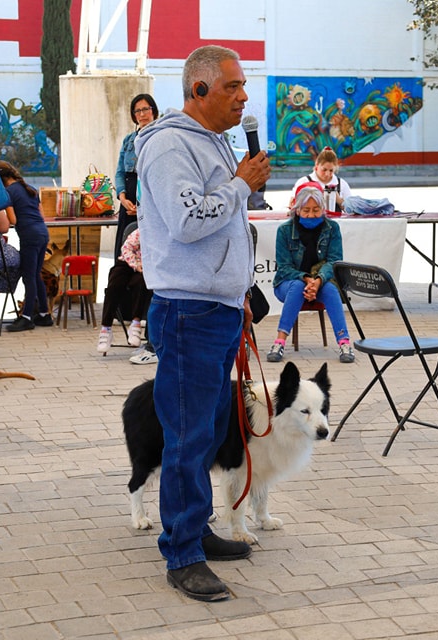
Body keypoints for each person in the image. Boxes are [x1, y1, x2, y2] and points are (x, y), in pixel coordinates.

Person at [134, 45, 271, 602]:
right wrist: (239, 184)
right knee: (188, 437)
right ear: (198, 91)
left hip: (217, 308)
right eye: (233, 87)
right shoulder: (168, 145)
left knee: (211, 429)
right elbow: (188, 221)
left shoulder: (214, 141)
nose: (243, 97)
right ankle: (183, 553)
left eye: (243, 86)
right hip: (188, 311)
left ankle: (198, 527)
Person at [267, 182, 354, 364]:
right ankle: (279, 341)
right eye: (306, 210)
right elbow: (284, 267)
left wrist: (318, 281)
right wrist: (307, 279)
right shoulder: (284, 230)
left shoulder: (332, 228)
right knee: (298, 286)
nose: (311, 214)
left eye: (316, 210)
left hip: (321, 282)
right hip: (288, 282)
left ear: (323, 209)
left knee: (330, 290)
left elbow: (334, 261)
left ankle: (344, 342)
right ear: (297, 210)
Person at [0, 161, 53, 331]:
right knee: (36, 274)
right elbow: (40, 214)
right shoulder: (30, 188)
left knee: (29, 276)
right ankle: (44, 314)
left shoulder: (8, 193)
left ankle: (26, 318)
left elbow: (13, 220)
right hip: (42, 233)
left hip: (29, 236)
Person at [95, 227, 156, 365]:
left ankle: (136, 323)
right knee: (115, 283)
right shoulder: (141, 231)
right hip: (128, 262)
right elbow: (127, 248)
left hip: (146, 267)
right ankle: (106, 328)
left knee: (141, 283)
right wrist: (135, 264)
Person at [114, 93, 159, 260]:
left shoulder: (160, 137)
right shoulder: (128, 140)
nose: (141, 114)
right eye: (137, 111)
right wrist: (123, 198)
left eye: (145, 109)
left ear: (153, 111)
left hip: (150, 200)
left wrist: (142, 207)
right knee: (124, 250)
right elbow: (120, 171)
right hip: (128, 201)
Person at [292, 147, 351, 213]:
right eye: (324, 170)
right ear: (317, 165)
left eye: (331, 170)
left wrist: (339, 200)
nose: (327, 174)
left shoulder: (342, 184)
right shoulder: (304, 182)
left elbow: (351, 210)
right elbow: (293, 206)